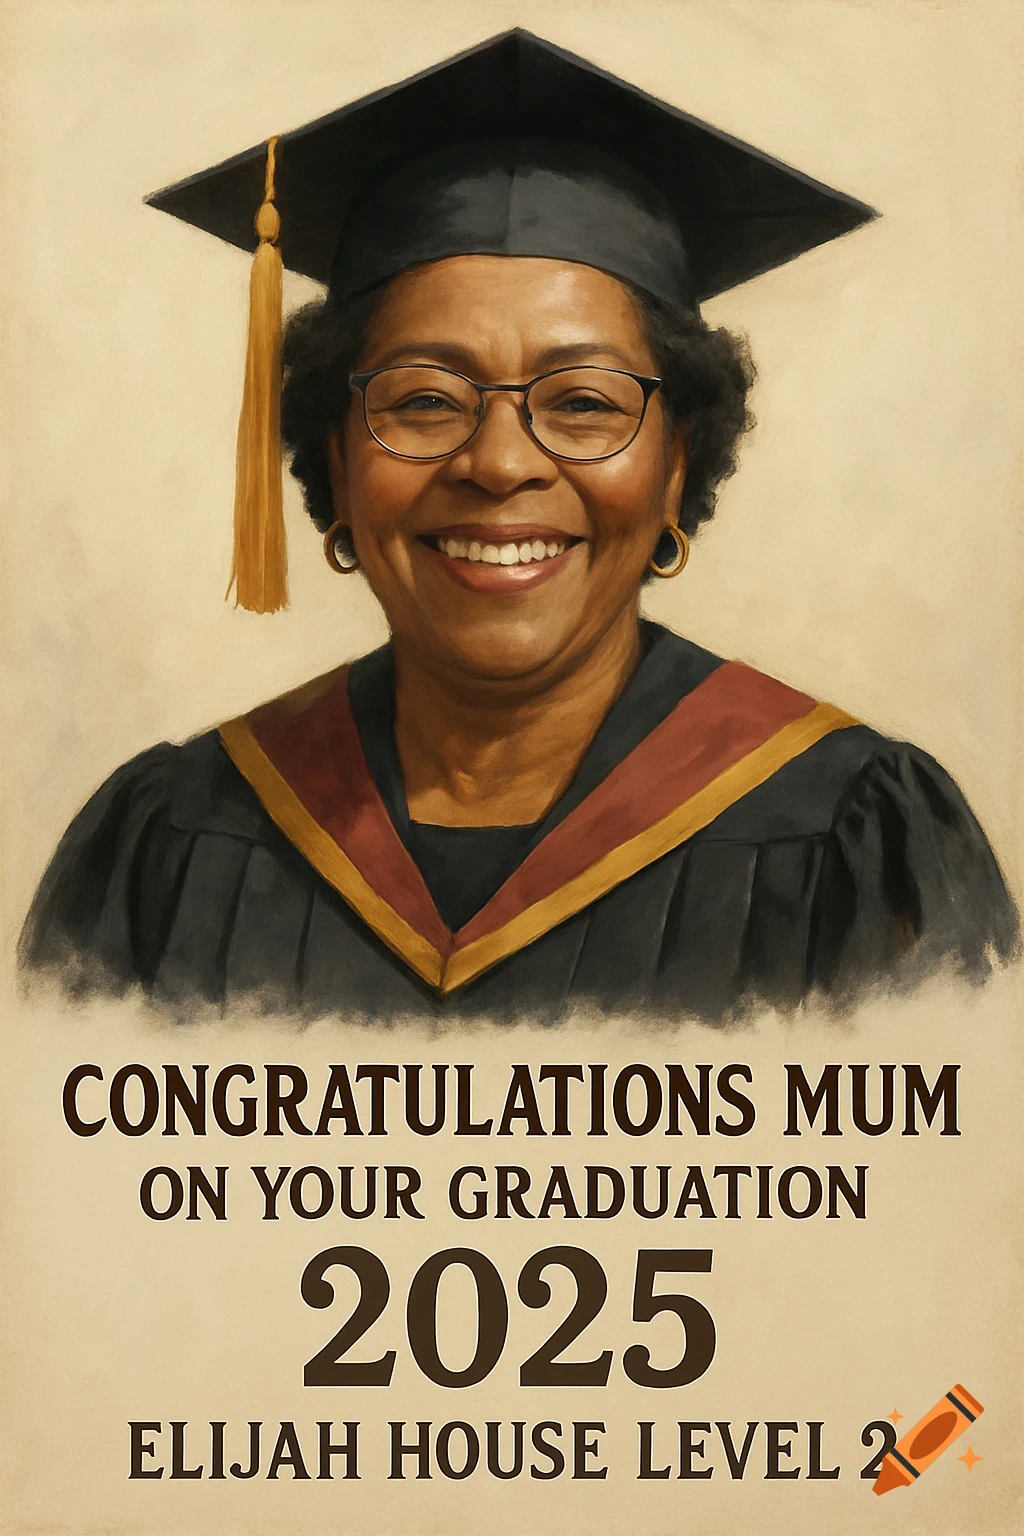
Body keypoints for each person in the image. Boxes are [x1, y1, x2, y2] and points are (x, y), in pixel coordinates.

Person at [20, 30, 1018, 1023]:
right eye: (422, 400)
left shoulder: (854, 838)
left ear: (676, 465)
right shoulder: (167, 844)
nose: (498, 464)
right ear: (335, 457)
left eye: (583, 401)